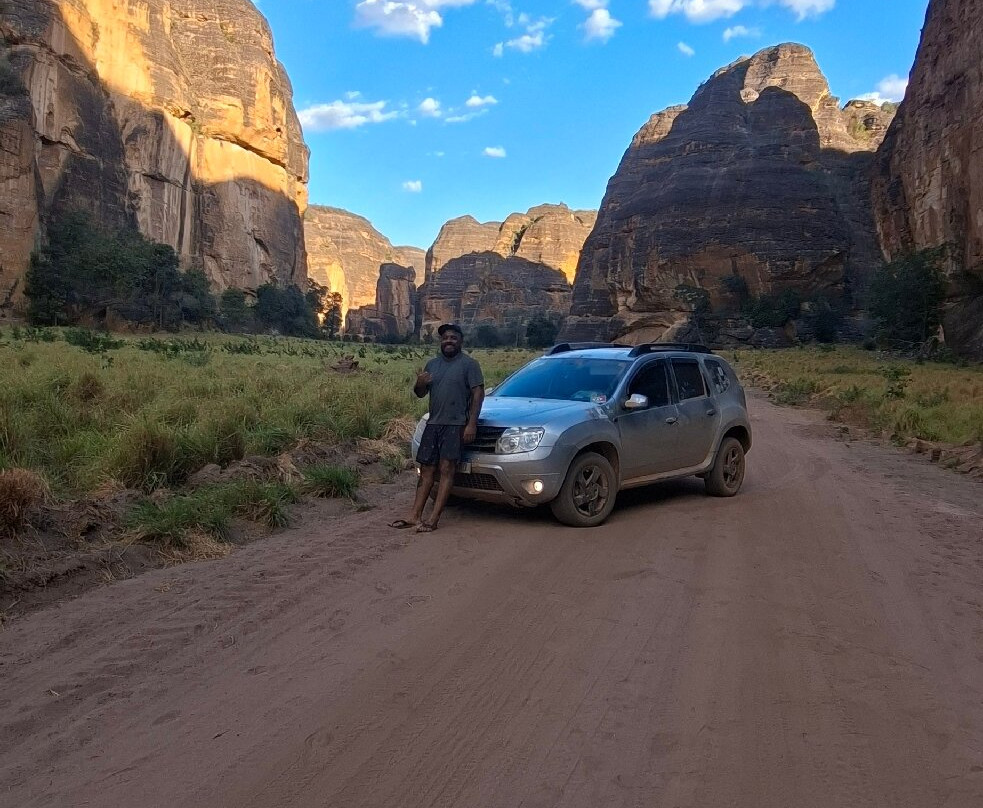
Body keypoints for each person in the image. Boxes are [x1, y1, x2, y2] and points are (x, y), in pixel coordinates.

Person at [389, 323, 484, 533]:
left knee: (447, 469)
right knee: (426, 470)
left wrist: (471, 424)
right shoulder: (432, 364)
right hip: (433, 424)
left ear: (460, 341)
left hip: (456, 425)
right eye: (444, 338)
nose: (448, 341)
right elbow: (420, 393)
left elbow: (478, 394)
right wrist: (420, 382)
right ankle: (414, 516)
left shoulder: (470, 364)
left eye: (453, 338)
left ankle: (433, 519)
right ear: (440, 342)